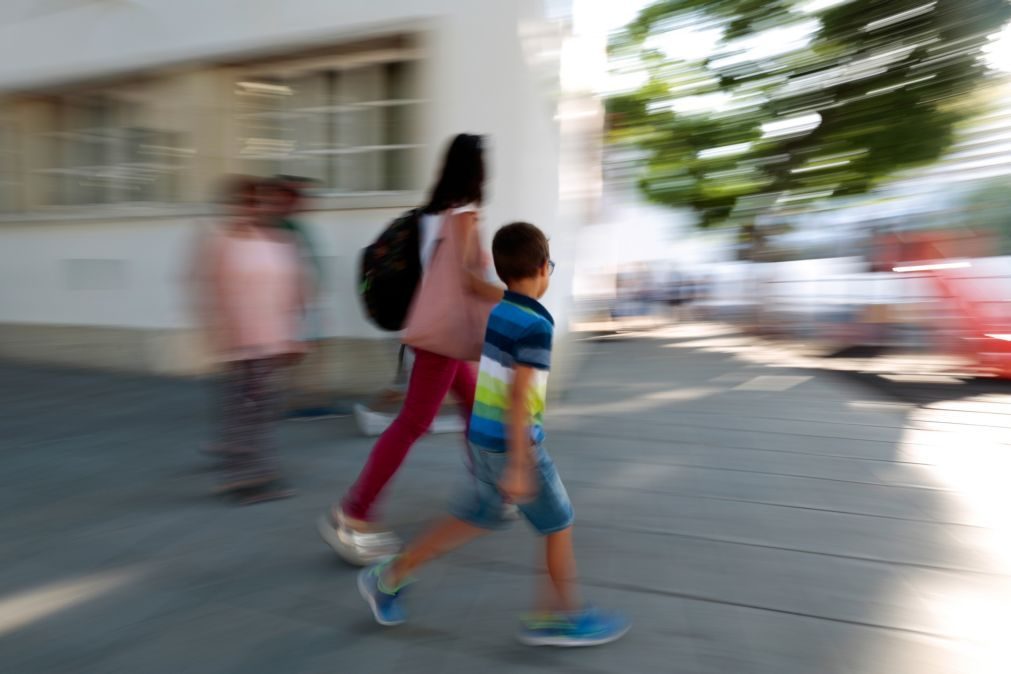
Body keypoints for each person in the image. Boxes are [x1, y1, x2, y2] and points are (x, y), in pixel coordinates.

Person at [356, 222, 629, 646]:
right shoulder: (537, 326)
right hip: (512, 446)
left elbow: (485, 290)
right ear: (543, 268)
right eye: (550, 265)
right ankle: (558, 616)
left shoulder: (503, 309)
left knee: (473, 516)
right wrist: (521, 465)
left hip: (482, 439)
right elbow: (520, 398)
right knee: (559, 524)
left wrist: (465, 265)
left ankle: (388, 577)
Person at [318, 134, 504, 563]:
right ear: (478, 170)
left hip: (438, 334)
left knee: (475, 407)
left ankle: (490, 489)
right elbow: (465, 280)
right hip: (444, 338)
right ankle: (352, 511)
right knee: (412, 424)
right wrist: (513, 295)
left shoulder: (431, 214)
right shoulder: (463, 215)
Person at [195, 176, 306, 504]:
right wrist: (222, 335)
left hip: (271, 340)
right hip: (242, 343)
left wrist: (293, 336)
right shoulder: (222, 243)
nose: (251, 208)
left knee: (261, 410)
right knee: (245, 411)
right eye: (245, 202)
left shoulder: (273, 240)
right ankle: (243, 478)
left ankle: (256, 473)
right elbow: (211, 293)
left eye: (256, 202)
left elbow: (288, 288)